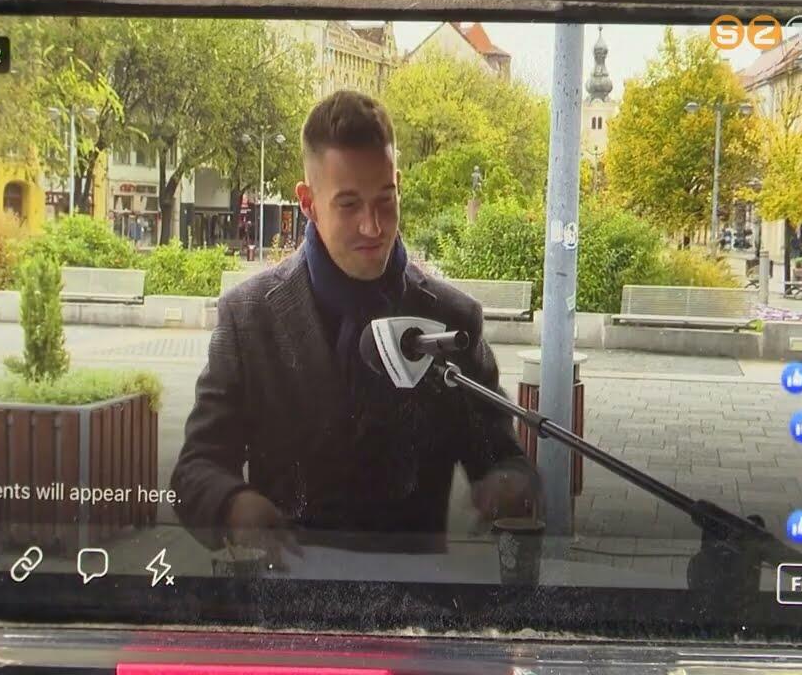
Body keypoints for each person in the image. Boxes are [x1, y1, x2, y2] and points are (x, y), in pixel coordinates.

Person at [172, 90, 542, 560]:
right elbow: (195, 469)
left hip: (416, 598)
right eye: (349, 205)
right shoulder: (247, 317)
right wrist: (232, 505)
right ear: (308, 202)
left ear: (398, 185)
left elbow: (501, 457)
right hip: (286, 594)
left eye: (385, 200)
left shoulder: (453, 319)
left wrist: (510, 483)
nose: (373, 226)